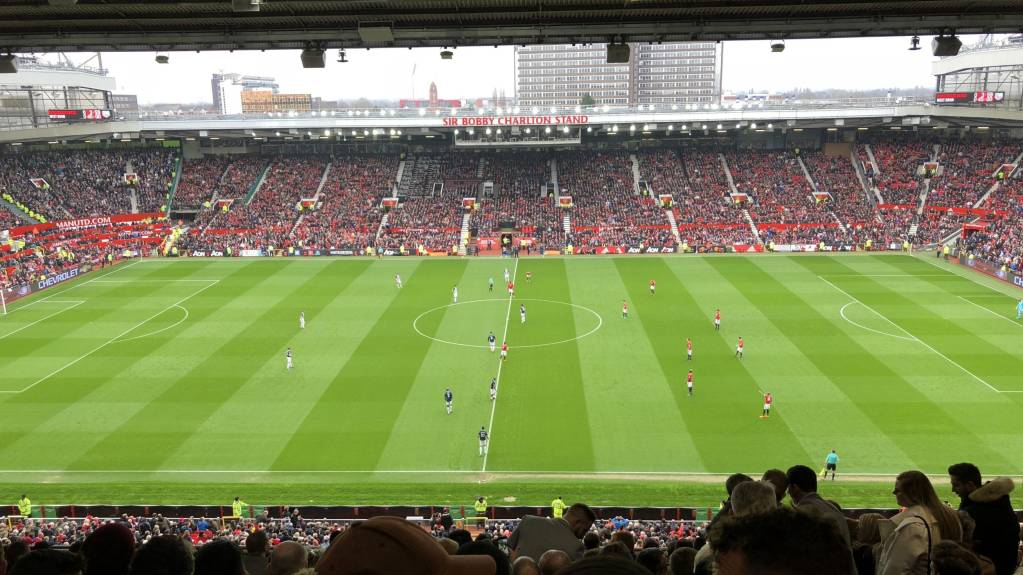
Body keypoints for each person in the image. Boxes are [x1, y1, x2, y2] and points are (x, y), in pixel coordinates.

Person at [876, 470, 963, 575]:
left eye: (898, 490)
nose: (893, 493)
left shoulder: (913, 527)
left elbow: (895, 570)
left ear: (912, 493)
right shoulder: (949, 517)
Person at [947, 462, 1020, 575]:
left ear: (970, 485)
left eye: (956, 485)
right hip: (1005, 567)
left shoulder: (973, 512)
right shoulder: (999, 502)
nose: (953, 490)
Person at [786, 465, 853, 548]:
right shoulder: (833, 508)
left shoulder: (799, 515)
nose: (788, 492)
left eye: (788, 487)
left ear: (795, 488)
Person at [507, 503, 597, 562]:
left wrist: (515, 566)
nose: (583, 536)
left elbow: (509, 546)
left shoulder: (528, 520)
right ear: (577, 522)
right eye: (584, 530)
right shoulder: (576, 546)